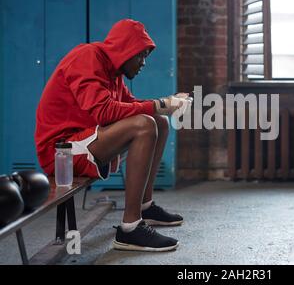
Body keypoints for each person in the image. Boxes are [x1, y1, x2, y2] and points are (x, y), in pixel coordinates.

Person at [35, 19, 188, 252]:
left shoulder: (114, 71)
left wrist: (165, 105)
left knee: (160, 122)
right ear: (124, 50)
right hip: (60, 151)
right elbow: (104, 112)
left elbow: (131, 104)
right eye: (140, 55)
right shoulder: (88, 57)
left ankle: (144, 206)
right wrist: (159, 104)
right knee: (145, 125)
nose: (143, 63)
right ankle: (130, 229)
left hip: (83, 140)